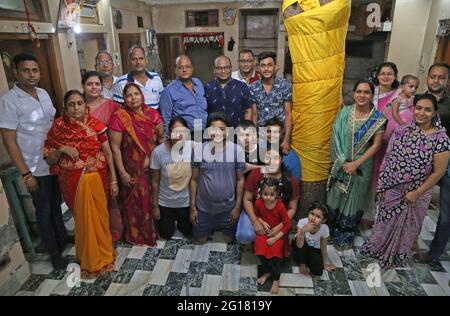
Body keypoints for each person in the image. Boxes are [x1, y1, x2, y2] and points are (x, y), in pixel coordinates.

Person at [361, 94, 450, 269]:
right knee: (384, 221)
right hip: (392, 188)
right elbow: (388, 158)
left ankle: (396, 254)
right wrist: (382, 185)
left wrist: (417, 193)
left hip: (417, 193)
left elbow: (439, 172)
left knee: (408, 226)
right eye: (418, 108)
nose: (422, 113)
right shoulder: (402, 130)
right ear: (413, 109)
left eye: (427, 109)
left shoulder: (441, 139)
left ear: (434, 113)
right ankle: (378, 248)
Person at [0, 53, 68, 270]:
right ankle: (54, 253)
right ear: (16, 73)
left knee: (57, 204)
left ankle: (63, 238)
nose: (31, 74)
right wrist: (25, 174)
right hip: (34, 167)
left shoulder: (43, 94)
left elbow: (53, 125)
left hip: (54, 161)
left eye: (35, 70)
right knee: (44, 210)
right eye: (26, 70)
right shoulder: (9, 101)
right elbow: (9, 141)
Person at [44, 90, 117, 277]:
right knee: (84, 221)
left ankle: (104, 255)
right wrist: (62, 148)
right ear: (65, 107)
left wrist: (114, 179)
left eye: (79, 103)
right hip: (74, 183)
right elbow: (49, 159)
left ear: (85, 104)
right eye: (71, 104)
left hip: (98, 179)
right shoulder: (57, 129)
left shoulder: (96, 124)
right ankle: (89, 259)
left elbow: (108, 153)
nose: (76, 108)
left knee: (100, 219)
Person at [327, 80, 386, 249]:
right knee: (336, 195)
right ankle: (330, 231)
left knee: (353, 199)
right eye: (359, 91)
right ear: (354, 94)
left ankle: (344, 236)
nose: (362, 95)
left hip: (362, 165)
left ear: (372, 96)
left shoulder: (378, 119)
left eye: (366, 92)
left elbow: (376, 145)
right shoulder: (345, 112)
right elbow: (336, 135)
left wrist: (356, 163)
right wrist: (344, 160)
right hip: (342, 161)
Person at [109, 83, 164, 246]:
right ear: (124, 99)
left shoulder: (152, 114)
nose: (133, 98)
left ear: (142, 95)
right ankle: (135, 235)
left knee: (152, 199)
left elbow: (161, 139)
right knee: (134, 202)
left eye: (136, 94)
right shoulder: (119, 117)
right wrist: (123, 173)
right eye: (129, 95)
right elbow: (115, 148)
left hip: (152, 168)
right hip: (131, 170)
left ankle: (153, 231)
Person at [190, 112, 246, 243]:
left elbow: (240, 180)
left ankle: (218, 226)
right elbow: (194, 180)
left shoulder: (237, 150)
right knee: (200, 240)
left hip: (228, 208)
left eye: (222, 129)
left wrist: (237, 208)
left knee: (229, 240)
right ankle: (209, 227)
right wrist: (192, 208)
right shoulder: (199, 150)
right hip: (203, 208)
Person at [414, 63, 450, 264]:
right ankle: (409, 240)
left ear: (447, 81)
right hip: (417, 164)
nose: (436, 81)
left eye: (441, 77)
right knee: (413, 203)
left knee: (445, 215)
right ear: (427, 77)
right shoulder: (418, 100)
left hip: (445, 166)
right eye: (433, 76)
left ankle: (434, 253)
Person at [81, 70, 122, 242]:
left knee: (112, 196)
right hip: (84, 163)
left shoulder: (111, 106)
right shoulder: (77, 106)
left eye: (97, 84)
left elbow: (120, 128)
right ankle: (94, 234)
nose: (94, 87)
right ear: (83, 85)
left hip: (108, 158)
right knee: (90, 202)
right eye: (89, 84)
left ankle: (113, 233)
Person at [238, 147, 300, 245]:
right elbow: (247, 199)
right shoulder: (256, 174)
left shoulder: (290, 180)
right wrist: (255, 222)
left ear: (282, 159)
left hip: (277, 218)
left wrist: (280, 227)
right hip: (256, 214)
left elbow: (292, 208)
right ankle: (251, 242)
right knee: (245, 235)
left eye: (275, 158)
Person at [151, 117, 193, 240]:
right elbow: (154, 181)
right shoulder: (158, 152)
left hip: (185, 202)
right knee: (166, 234)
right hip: (165, 202)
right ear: (169, 133)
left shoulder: (193, 148)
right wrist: (155, 207)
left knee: (187, 231)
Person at [250, 51, 292, 155]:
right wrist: (255, 137)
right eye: (263, 66)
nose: (266, 69)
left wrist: (287, 139)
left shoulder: (284, 85)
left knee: (280, 165)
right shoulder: (253, 87)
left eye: (269, 65)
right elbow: (254, 114)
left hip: (280, 136)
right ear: (259, 68)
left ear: (275, 66)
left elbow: (288, 113)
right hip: (262, 136)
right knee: (261, 165)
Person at [254, 178, 291, 294]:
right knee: (260, 250)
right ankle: (266, 272)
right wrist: (262, 222)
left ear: (277, 194)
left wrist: (275, 237)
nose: (268, 197)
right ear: (260, 193)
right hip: (264, 232)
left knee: (275, 256)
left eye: (271, 194)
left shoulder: (280, 206)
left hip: (277, 235)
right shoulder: (259, 202)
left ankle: (276, 279)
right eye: (265, 194)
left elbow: (287, 224)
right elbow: (256, 215)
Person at [160, 55, 208, 137]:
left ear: (192, 69)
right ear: (175, 70)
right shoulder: (168, 91)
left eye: (187, 67)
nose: (185, 70)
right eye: (180, 67)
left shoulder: (198, 83)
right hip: (183, 136)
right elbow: (166, 119)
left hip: (204, 133)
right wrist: (169, 139)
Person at [205, 55, 252, 128]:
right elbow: (203, 112)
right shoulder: (207, 87)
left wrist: (246, 130)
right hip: (215, 134)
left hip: (237, 133)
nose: (223, 71)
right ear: (214, 69)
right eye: (219, 68)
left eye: (226, 67)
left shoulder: (242, 86)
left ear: (231, 68)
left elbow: (248, 110)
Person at [112, 45, 163, 110]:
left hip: (155, 119)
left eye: (141, 58)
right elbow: (118, 110)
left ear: (146, 60)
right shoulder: (121, 82)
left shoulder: (156, 78)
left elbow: (162, 104)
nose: (138, 62)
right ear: (129, 62)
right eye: (134, 59)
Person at [292, 201, 336, 276]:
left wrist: (325, 263)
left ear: (323, 220)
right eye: (312, 214)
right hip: (300, 246)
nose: (313, 218)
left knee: (318, 271)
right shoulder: (302, 222)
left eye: (318, 217)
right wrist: (303, 231)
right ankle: (302, 263)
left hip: (313, 248)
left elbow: (323, 247)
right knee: (299, 241)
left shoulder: (324, 228)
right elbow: (299, 245)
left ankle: (305, 259)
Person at [384, 75, 419, 142]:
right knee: (393, 137)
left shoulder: (412, 97)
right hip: (397, 120)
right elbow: (394, 113)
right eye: (411, 86)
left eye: (416, 87)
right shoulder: (398, 98)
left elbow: (412, 108)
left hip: (408, 119)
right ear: (402, 87)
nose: (413, 89)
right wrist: (402, 123)